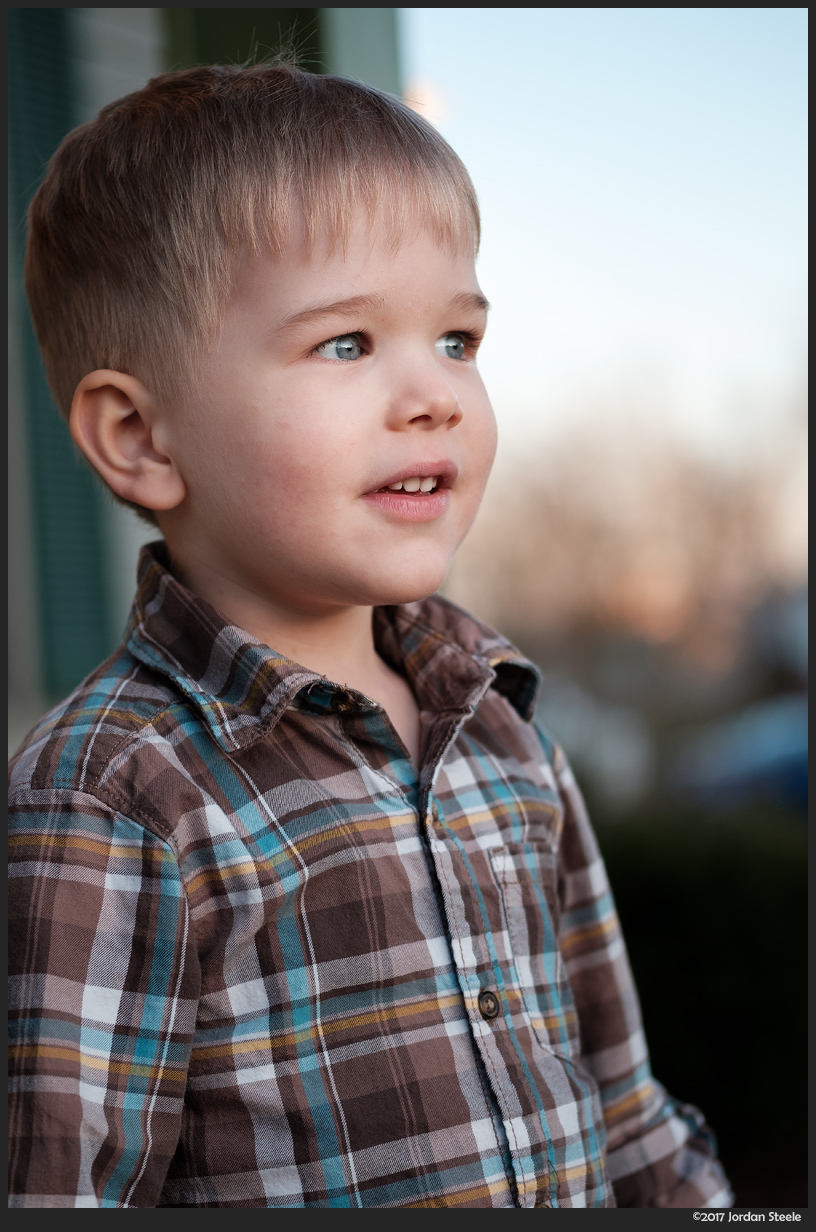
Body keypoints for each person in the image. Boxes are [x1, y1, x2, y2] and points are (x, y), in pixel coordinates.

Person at [8, 63, 732, 1209]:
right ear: (141, 436)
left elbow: (628, 1116)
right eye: (347, 344)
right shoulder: (115, 794)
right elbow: (63, 1193)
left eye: (457, 339)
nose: (436, 394)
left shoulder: (505, 736)